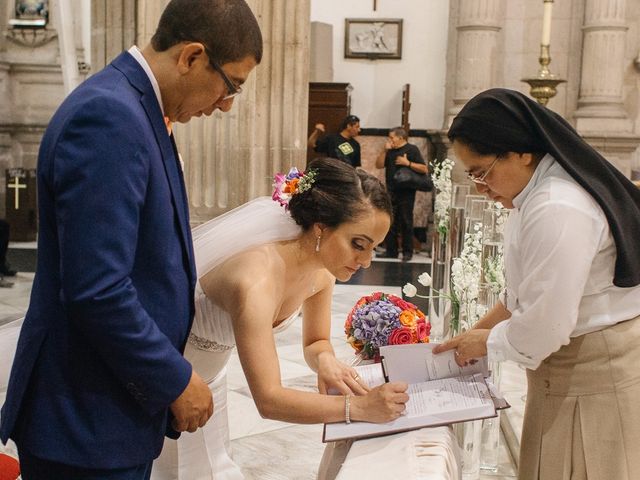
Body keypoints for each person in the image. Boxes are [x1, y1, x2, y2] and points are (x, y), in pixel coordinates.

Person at [0, 1, 262, 478]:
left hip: (108, 407)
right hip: (85, 417)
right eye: (232, 85)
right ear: (192, 57)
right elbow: (97, 289)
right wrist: (174, 379)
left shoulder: (134, 107)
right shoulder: (109, 117)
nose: (226, 105)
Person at [152, 157, 410, 479]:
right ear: (320, 227)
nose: (368, 262)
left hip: (211, 379)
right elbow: (269, 399)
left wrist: (325, 360)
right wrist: (358, 407)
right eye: (358, 244)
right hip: (166, 381)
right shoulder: (255, 280)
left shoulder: (322, 272)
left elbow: (315, 342)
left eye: (375, 248)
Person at [434, 88, 640, 480]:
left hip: (595, 372)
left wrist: (484, 343)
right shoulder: (535, 193)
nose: (479, 186)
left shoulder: (558, 206)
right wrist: (469, 336)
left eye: (481, 171)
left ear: (521, 152)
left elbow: (546, 327)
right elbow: (520, 297)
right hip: (569, 368)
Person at [375, 127, 428, 262]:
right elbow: (379, 165)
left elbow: (424, 168)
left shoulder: (412, 149)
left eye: (392, 137)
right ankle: (391, 251)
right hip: (391, 190)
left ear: (401, 137)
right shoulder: (390, 151)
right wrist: (384, 150)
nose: (390, 140)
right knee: (390, 222)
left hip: (406, 191)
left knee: (406, 221)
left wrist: (408, 163)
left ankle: (407, 252)